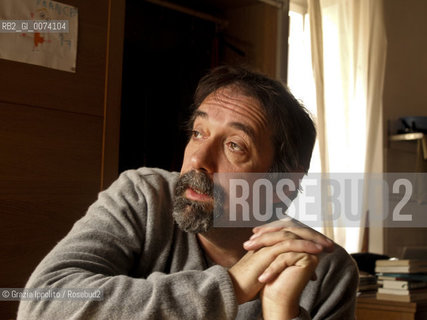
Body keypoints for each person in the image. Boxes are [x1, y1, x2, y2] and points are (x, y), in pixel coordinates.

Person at [17, 65, 358, 319]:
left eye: (235, 145)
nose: (197, 160)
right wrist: (232, 286)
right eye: (198, 133)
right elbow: (43, 304)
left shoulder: (326, 271)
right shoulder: (145, 197)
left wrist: (280, 311)